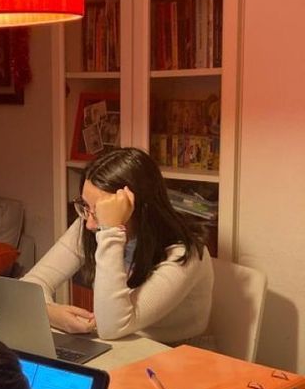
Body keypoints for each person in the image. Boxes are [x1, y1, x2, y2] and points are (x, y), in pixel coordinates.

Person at [24, 147, 213, 344]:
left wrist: (110, 231)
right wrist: (50, 313)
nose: (89, 223)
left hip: (176, 356)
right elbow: (29, 286)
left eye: (100, 211)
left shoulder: (185, 253)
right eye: (86, 207)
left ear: (136, 209)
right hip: (120, 347)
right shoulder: (92, 222)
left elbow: (111, 326)